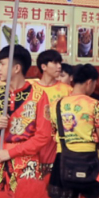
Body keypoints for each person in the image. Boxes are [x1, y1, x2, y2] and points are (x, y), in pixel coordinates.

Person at [47, 64, 99, 198]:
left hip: (62, 160)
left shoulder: (57, 105)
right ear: (89, 82)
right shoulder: (94, 104)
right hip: (89, 160)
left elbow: (54, 133)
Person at [0, 45, 53, 191]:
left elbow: (43, 136)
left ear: (16, 69)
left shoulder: (38, 95)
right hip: (1, 158)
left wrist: (11, 153)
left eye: (2, 64)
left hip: (27, 160)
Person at [31, 50, 72, 179]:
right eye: (54, 63)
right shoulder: (31, 89)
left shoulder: (67, 90)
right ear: (43, 67)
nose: (59, 66)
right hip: (35, 142)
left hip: (58, 144)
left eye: (60, 62)